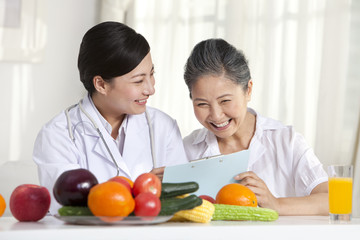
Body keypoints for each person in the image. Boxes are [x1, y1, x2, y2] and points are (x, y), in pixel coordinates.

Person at [33, 21, 188, 214]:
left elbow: (183, 200)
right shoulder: (59, 135)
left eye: (151, 74)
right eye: (139, 80)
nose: (151, 89)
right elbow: (69, 208)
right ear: (101, 84)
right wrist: (139, 190)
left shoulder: (163, 127)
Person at [182, 38, 328, 215]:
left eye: (225, 101)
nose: (216, 115)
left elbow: (330, 199)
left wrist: (277, 204)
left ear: (248, 90)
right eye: (202, 104)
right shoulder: (186, 150)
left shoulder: (286, 141)